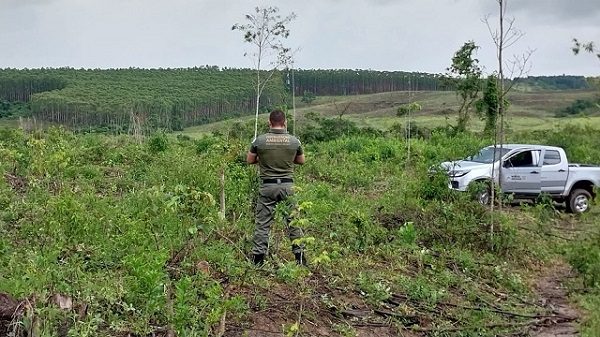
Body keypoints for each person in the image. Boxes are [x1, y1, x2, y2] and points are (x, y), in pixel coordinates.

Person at [247, 109, 306, 266]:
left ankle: (258, 261)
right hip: (288, 186)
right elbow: (301, 161)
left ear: (269, 122)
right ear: (285, 122)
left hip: (267, 187)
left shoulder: (259, 141)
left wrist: (264, 159)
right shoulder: (294, 141)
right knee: (293, 222)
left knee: (263, 223)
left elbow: (250, 159)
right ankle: (300, 259)